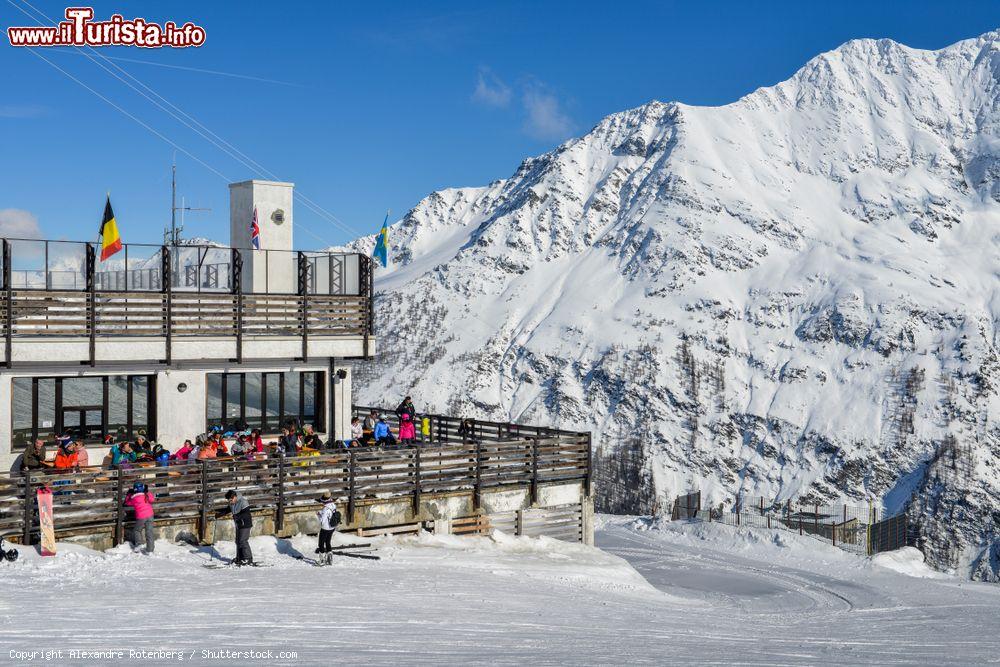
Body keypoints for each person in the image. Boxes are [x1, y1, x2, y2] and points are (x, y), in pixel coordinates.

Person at [218, 490, 253, 566]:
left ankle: (248, 559)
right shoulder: (232, 503)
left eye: (230, 500)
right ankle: (240, 558)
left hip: (245, 524)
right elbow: (228, 510)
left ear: (234, 497)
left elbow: (246, 514)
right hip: (238, 524)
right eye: (228, 500)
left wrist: (237, 516)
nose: (230, 502)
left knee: (243, 541)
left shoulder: (243, 502)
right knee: (238, 541)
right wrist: (219, 515)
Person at [124, 481, 156, 553]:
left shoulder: (133, 498)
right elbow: (152, 499)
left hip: (141, 517)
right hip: (150, 515)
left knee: (137, 530)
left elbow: (126, 502)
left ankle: (139, 545)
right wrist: (147, 492)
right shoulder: (146, 495)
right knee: (149, 532)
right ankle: (150, 550)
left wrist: (129, 494)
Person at [315, 492, 341, 556]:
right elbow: (329, 514)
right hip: (332, 527)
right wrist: (322, 513)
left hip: (325, 528)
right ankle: (329, 556)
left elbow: (322, 521)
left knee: (321, 543)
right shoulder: (333, 505)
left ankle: (322, 559)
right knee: (328, 542)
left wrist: (318, 515)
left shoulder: (325, 509)